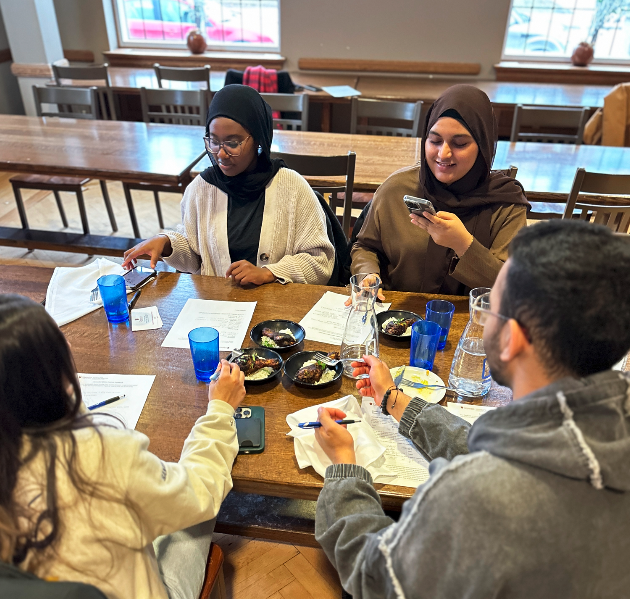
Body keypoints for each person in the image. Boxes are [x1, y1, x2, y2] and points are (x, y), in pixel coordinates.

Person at [314, 220, 630, 598]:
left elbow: (374, 574)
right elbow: (502, 451)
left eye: (491, 307)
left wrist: (344, 467)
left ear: (511, 339)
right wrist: (394, 401)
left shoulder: (473, 498)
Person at [0, 294, 246, 599]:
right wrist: (220, 409)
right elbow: (201, 491)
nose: (71, 347)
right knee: (199, 507)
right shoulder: (102, 455)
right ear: (52, 374)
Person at [122, 85, 334, 286]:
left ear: (259, 139)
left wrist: (270, 272)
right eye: (214, 141)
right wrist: (166, 243)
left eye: (233, 143)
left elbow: (320, 261)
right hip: (218, 307)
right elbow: (195, 255)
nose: (221, 154)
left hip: (275, 312)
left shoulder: (293, 187)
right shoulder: (201, 189)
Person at [351, 84, 530, 296]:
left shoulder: (506, 203)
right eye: (434, 140)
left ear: (483, 146)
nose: (443, 154)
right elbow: (365, 246)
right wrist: (368, 275)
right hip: (398, 319)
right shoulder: (397, 188)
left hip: (469, 323)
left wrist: (463, 244)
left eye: (460, 144)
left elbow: (512, 288)